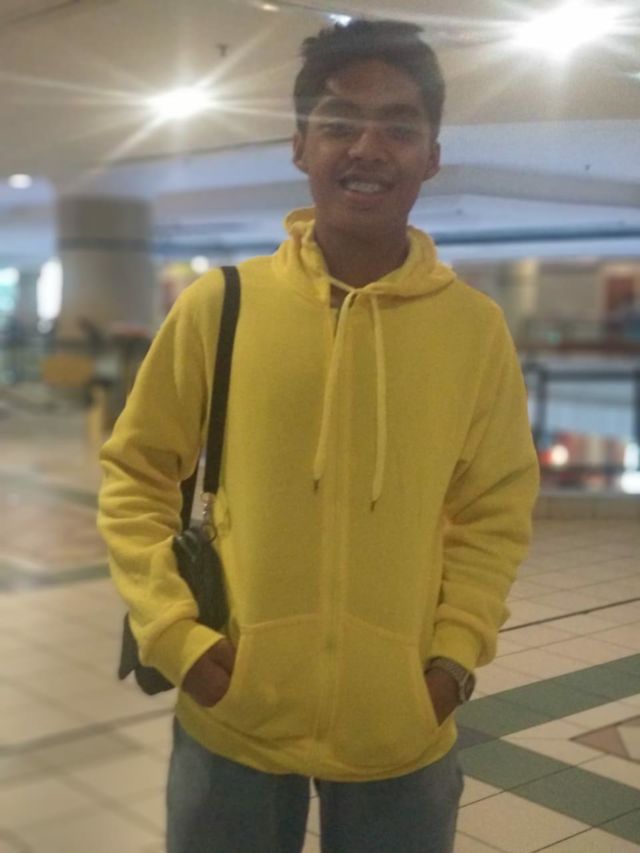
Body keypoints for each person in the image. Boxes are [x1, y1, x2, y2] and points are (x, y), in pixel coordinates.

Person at [98, 18, 539, 853]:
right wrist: (175, 636)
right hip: (233, 712)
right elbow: (137, 473)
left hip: (401, 726)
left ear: (432, 155)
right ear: (301, 145)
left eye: (399, 127)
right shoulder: (221, 304)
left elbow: (496, 507)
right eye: (339, 122)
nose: (367, 147)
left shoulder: (473, 330)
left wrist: (451, 662)